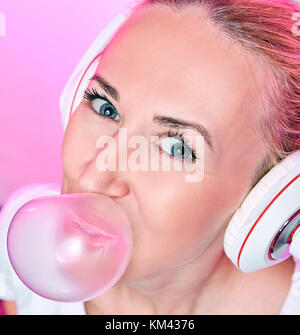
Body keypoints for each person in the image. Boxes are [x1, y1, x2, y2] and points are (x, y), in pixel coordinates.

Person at [1, 0, 300, 314]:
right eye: (105, 107)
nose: (93, 175)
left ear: (268, 200)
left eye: (176, 148)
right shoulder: (23, 240)